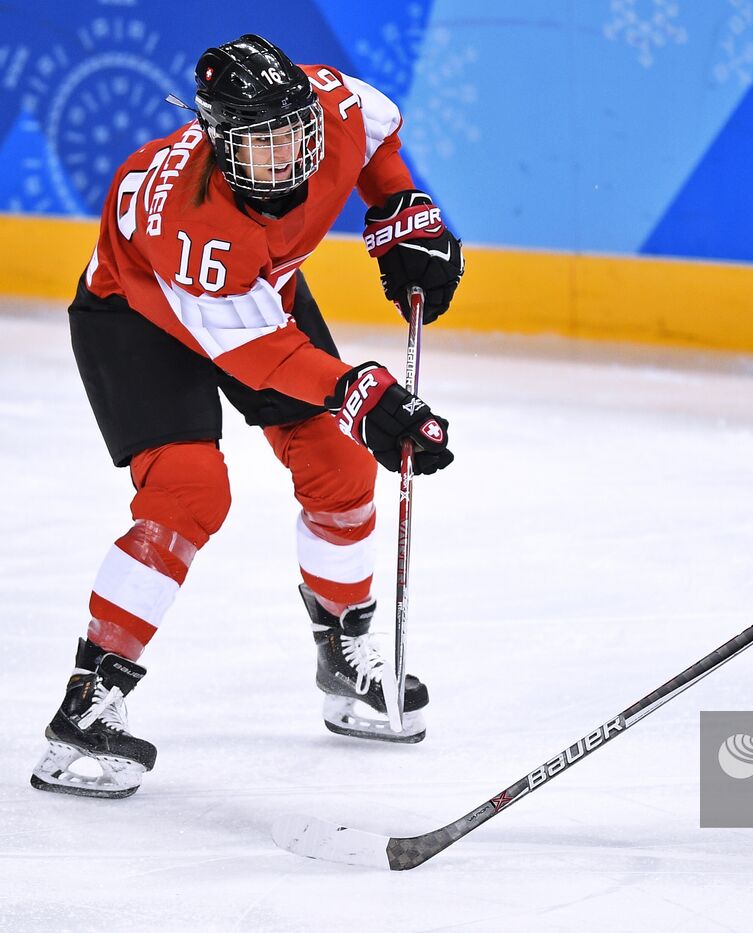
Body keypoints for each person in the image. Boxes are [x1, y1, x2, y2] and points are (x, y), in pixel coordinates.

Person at [31, 34, 465, 799]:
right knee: (190, 490)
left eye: (296, 131)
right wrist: (359, 392)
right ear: (218, 142)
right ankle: (89, 699)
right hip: (138, 314)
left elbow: (377, 135)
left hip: (258, 293)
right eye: (264, 144)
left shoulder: (333, 109)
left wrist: (403, 206)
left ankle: (344, 652)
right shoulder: (192, 222)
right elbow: (261, 353)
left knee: (339, 465)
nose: (291, 154)